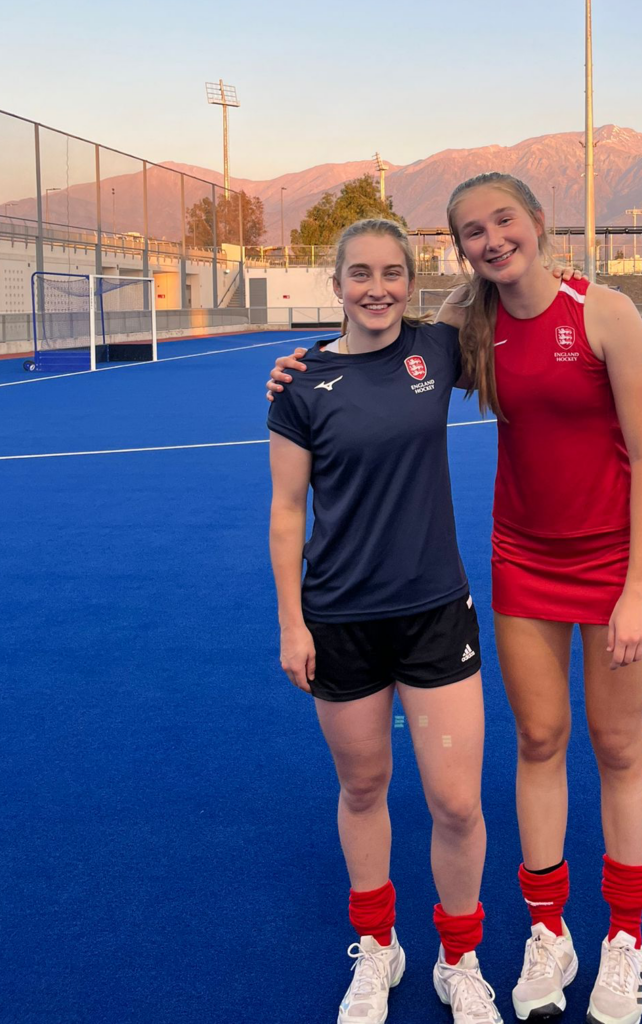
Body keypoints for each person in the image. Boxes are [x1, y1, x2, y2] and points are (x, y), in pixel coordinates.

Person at [269, 175, 642, 1024]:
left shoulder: (603, 313)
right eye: (471, 232)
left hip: (607, 566)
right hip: (520, 560)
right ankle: (546, 930)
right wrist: (298, 367)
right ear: (458, 252)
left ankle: (622, 937)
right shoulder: (469, 326)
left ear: (538, 221)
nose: (491, 240)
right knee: (539, 738)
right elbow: (374, 356)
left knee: (616, 745)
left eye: (504, 221)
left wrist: (638, 588)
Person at [268, 217, 501, 1024]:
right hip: (340, 618)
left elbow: (497, 290)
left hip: (435, 611)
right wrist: (292, 624)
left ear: (412, 279)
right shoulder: (299, 384)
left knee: (456, 804)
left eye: (393, 273)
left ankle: (460, 958)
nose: (377, 288)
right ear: (334, 285)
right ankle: (377, 946)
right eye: (360, 274)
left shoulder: (435, 351)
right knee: (363, 786)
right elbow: (286, 512)